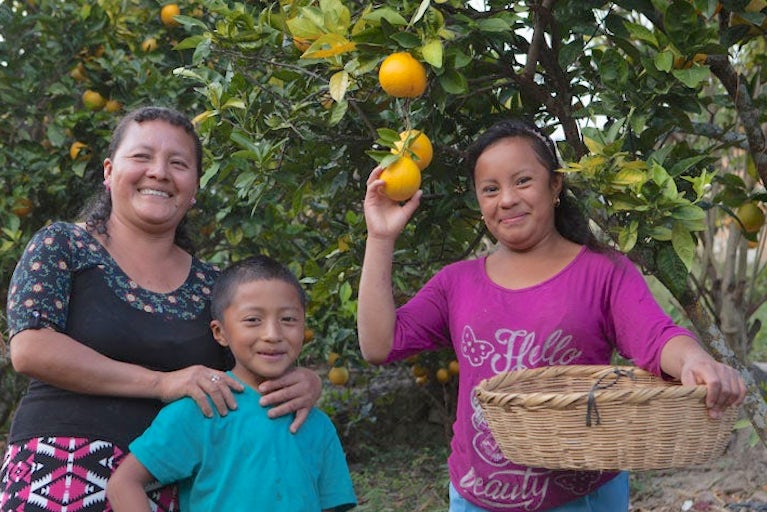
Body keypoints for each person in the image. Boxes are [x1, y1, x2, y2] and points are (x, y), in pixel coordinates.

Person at [357, 118, 747, 512]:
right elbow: (378, 344)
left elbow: (656, 336)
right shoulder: (456, 283)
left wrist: (695, 359)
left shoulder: (602, 271)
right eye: (490, 189)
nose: (506, 199)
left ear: (555, 184)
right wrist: (380, 237)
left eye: (522, 181)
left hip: (583, 496)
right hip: (477, 497)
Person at [1, 106, 322, 512]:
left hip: (179, 481)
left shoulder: (215, 285)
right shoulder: (62, 245)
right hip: (59, 465)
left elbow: (251, 371)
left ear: (195, 188)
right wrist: (162, 383)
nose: (159, 172)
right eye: (141, 156)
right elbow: (31, 349)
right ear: (108, 171)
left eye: (178, 163)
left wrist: (304, 381)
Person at [106, 255, 357, 511]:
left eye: (288, 319)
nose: (273, 334)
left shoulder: (317, 424)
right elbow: (123, 484)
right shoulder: (201, 409)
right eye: (252, 320)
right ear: (220, 332)